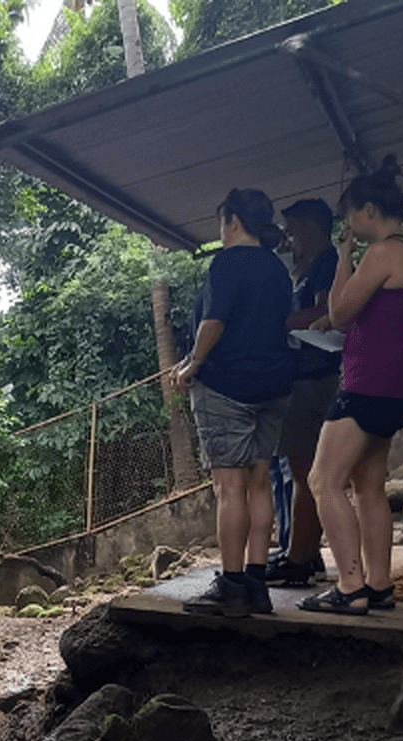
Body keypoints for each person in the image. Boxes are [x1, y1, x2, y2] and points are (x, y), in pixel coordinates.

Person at [300, 156, 403, 615]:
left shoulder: (383, 251)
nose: (348, 224)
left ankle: (350, 586)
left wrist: (343, 256)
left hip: (368, 382)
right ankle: (379, 584)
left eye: (350, 215)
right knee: (368, 484)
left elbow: (340, 312)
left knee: (323, 480)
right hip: (397, 382)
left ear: (369, 210)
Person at [171, 188, 295, 618]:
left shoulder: (227, 262)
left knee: (229, 488)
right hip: (274, 385)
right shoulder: (278, 268)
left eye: (221, 221)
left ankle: (230, 584)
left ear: (234, 221)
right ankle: (256, 585)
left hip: (227, 386)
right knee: (260, 483)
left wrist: (192, 364)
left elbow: (215, 319)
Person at [266, 198, 341, 586]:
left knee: (304, 471)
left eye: (294, 230)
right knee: (305, 470)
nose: (291, 238)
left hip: (311, 377)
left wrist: (275, 323)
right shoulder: (309, 267)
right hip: (308, 375)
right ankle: (305, 553)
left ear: (311, 227)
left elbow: (324, 312)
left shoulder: (328, 262)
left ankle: (298, 558)